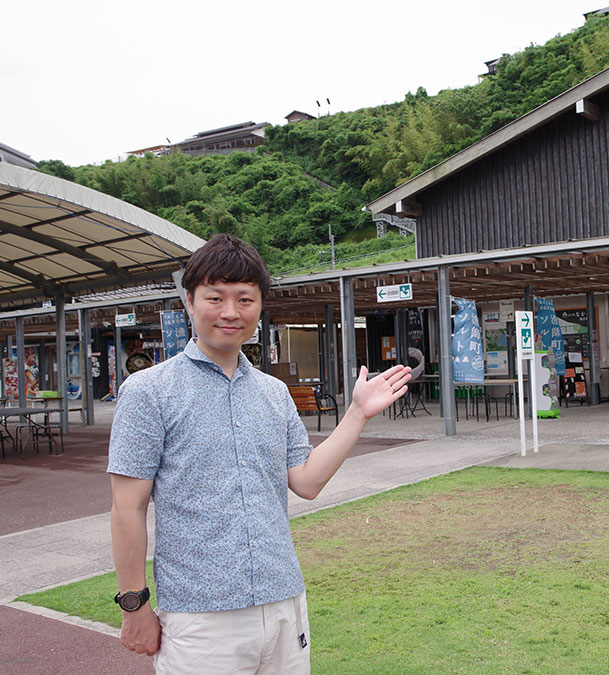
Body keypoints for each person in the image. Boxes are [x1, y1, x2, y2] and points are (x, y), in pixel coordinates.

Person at [108, 233, 410, 674]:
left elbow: (305, 481)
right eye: (215, 297)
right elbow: (126, 506)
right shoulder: (149, 392)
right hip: (200, 614)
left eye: (245, 299)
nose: (231, 312)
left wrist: (357, 415)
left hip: (285, 600)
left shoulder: (273, 393)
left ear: (259, 306)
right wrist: (133, 606)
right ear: (189, 302)